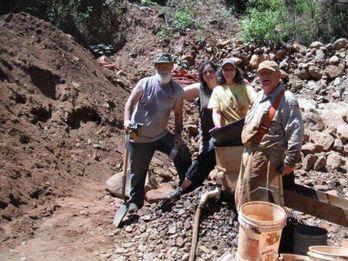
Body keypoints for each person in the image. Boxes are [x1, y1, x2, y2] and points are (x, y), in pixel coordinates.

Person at [123, 53, 192, 213]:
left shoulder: (177, 91)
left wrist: (177, 135)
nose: (164, 69)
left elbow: (179, 116)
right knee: (137, 170)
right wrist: (127, 120)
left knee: (181, 152)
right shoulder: (144, 83)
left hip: (161, 135)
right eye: (160, 66)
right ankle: (135, 201)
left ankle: (186, 185)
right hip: (138, 134)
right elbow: (130, 103)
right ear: (155, 67)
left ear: (172, 67)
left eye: (167, 66)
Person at [235, 60, 304, 210]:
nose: (264, 76)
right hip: (250, 153)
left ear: (278, 75)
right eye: (261, 73)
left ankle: (258, 230)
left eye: (269, 73)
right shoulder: (260, 95)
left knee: (256, 200)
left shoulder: (287, 99)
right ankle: (248, 228)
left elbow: (295, 131)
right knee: (244, 194)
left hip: (266, 158)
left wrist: (290, 161)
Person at [166, 61, 219, 200]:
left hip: (225, 132)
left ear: (217, 72)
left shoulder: (225, 88)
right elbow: (179, 94)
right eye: (205, 72)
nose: (208, 74)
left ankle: (186, 186)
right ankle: (186, 187)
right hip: (208, 133)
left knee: (207, 159)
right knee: (205, 160)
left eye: (211, 71)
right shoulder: (199, 88)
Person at [207, 58, 256, 128]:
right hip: (228, 130)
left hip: (246, 125)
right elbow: (216, 112)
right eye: (226, 70)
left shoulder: (245, 87)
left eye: (231, 69)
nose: (229, 72)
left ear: (236, 71)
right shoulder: (217, 90)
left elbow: (256, 102)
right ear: (221, 72)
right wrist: (218, 126)